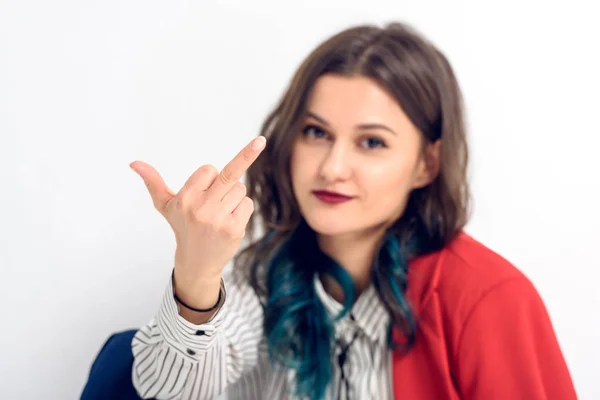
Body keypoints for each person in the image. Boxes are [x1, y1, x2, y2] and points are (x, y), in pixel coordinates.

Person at [128, 22, 577, 400]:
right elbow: (163, 389)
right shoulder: (260, 275)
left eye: (372, 142)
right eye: (315, 132)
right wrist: (196, 276)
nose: (332, 168)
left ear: (426, 164)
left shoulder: (487, 298)